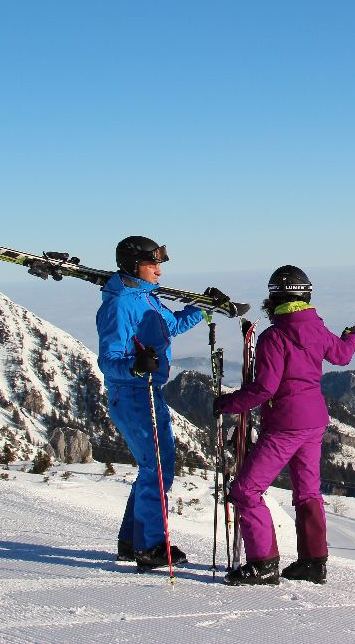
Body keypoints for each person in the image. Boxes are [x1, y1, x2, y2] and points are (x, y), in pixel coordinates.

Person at [214, 265, 355, 586]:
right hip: (314, 423)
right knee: (307, 492)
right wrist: (351, 336)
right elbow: (342, 356)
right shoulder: (318, 330)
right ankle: (313, 562)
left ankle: (264, 563)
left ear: (274, 298)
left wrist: (227, 404)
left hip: (284, 426)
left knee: (245, 492)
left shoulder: (274, 337)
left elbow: (265, 388)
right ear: (305, 295)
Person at [96, 235, 218, 571]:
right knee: (158, 468)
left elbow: (171, 326)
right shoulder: (120, 305)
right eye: (153, 264)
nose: (160, 271)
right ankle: (149, 546)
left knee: (153, 467)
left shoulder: (146, 298)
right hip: (133, 394)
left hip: (148, 390)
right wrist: (135, 367)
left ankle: (132, 541)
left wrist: (202, 306)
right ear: (134, 265)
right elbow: (108, 359)